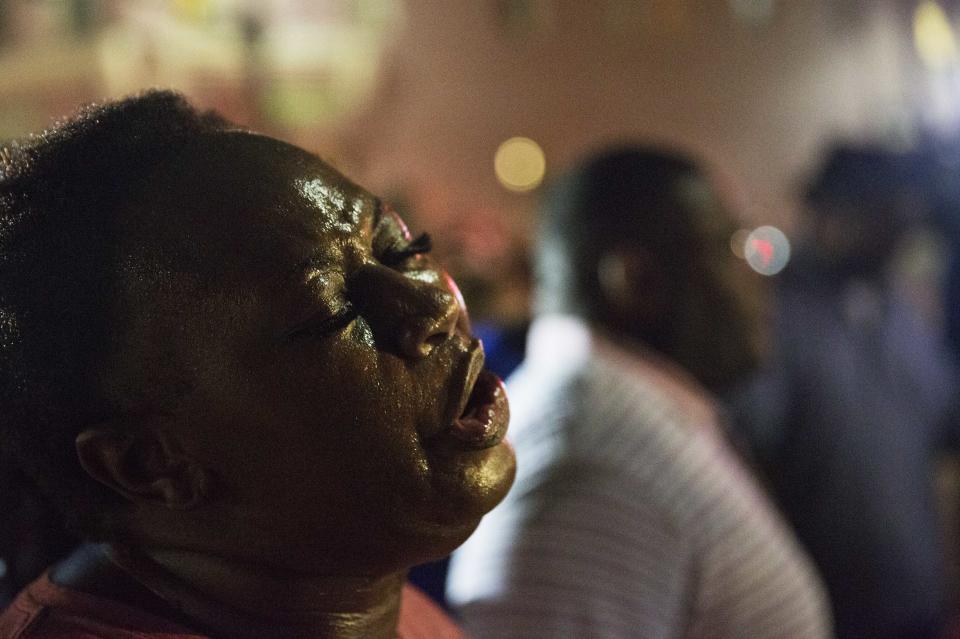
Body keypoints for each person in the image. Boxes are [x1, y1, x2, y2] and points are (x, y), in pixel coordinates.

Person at [0, 90, 516, 639]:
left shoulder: (385, 607)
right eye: (329, 314)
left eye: (400, 252)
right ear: (150, 463)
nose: (433, 305)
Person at [447, 146, 831, 638]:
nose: (756, 275)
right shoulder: (592, 456)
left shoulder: (617, 420)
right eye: (731, 246)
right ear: (636, 280)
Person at [728, 146, 960, 639]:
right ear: (827, 213)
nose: (895, 229)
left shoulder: (900, 310)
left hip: (918, 603)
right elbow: (747, 453)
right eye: (877, 211)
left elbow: (943, 419)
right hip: (821, 611)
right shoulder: (772, 320)